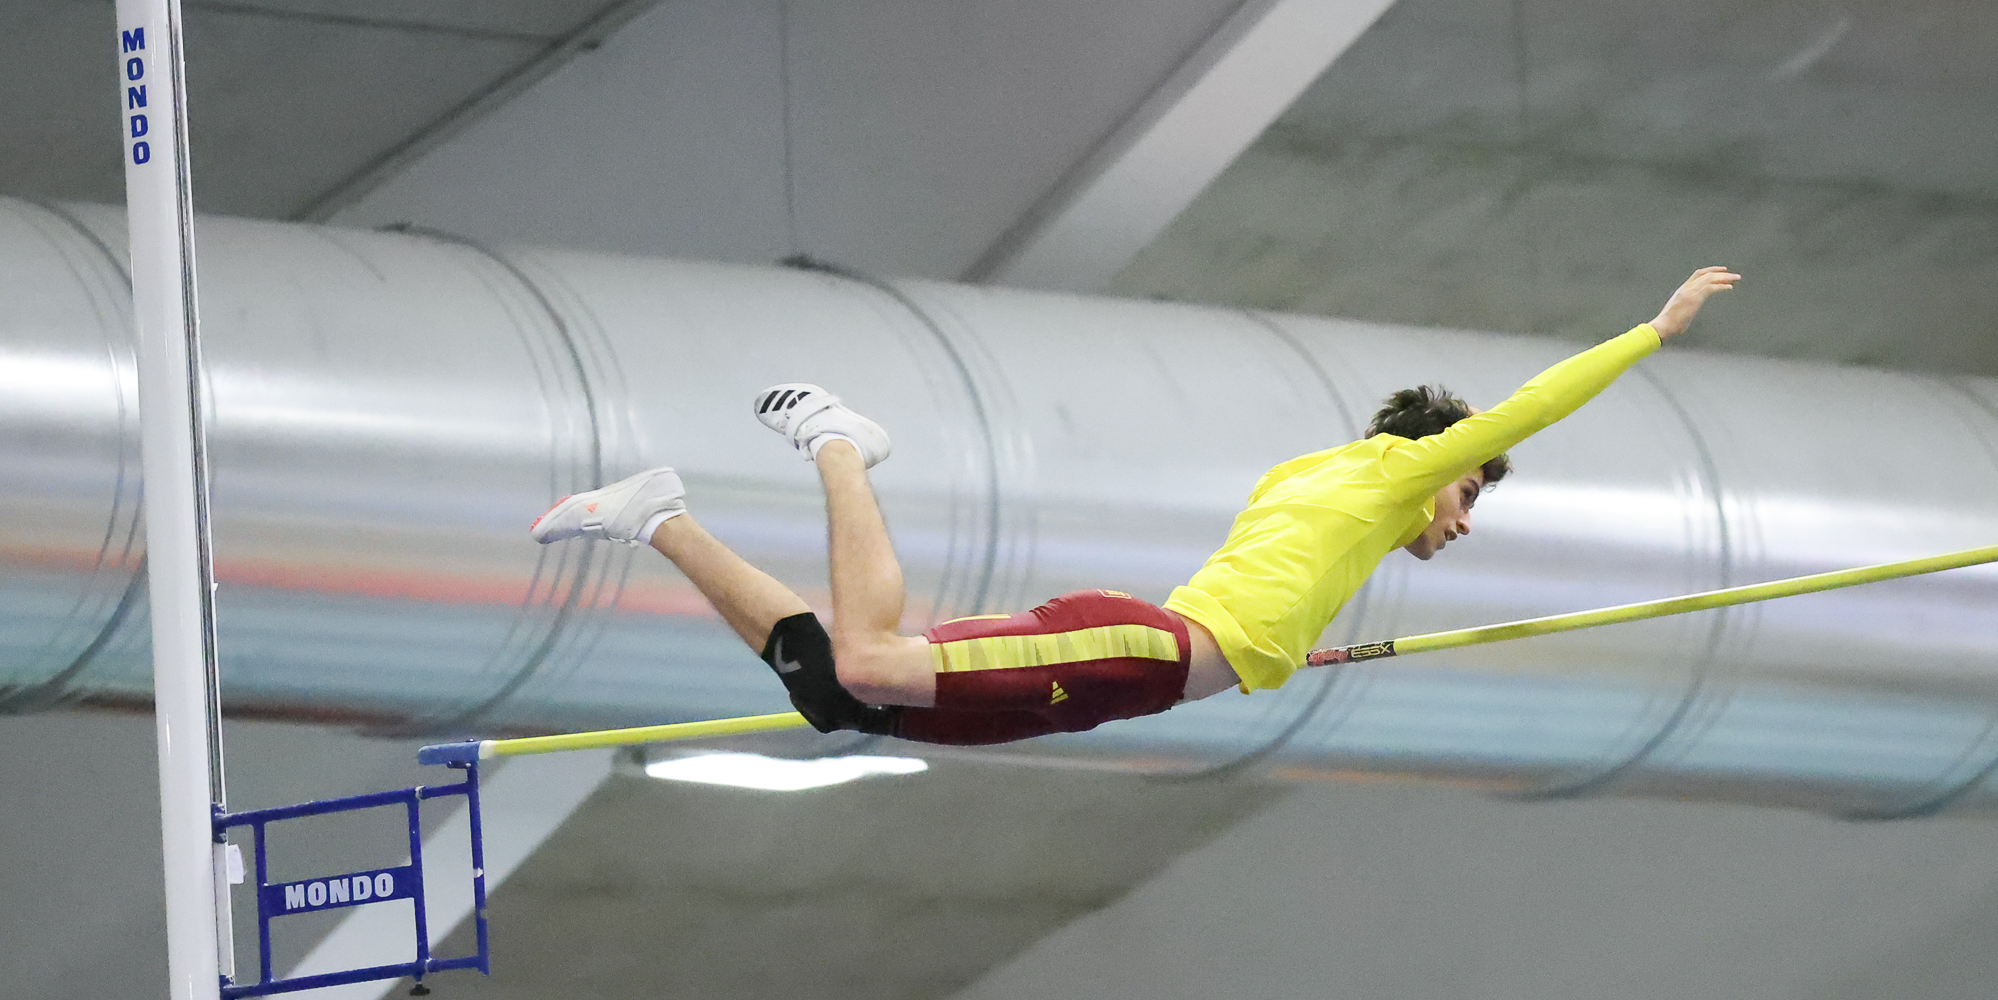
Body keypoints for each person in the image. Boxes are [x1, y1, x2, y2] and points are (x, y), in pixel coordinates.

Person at [532, 267, 1738, 745]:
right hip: (1142, 648)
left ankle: (658, 517)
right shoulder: (1390, 473)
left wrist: (1280, 645)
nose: (1463, 517)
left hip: (1131, 677)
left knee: (840, 698)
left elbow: (1281, 581)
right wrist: (1653, 328)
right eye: (1466, 489)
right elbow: (1528, 405)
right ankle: (841, 444)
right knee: (871, 657)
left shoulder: (1311, 478)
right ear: (1431, 458)